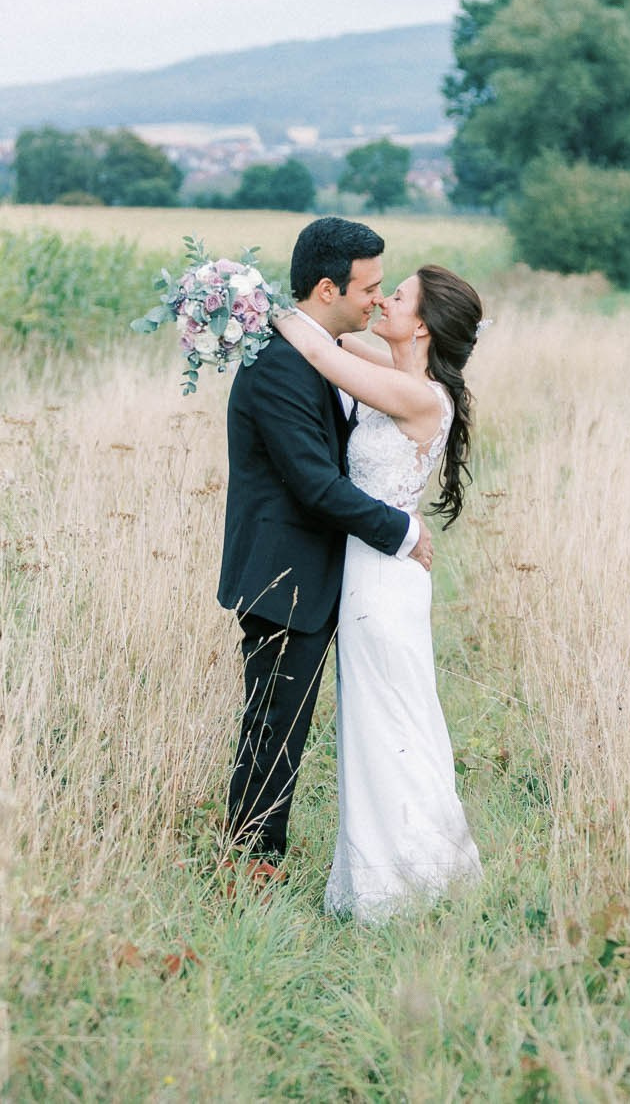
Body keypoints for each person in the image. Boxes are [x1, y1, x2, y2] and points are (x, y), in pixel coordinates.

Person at [218, 217, 433, 887]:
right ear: (327, 287)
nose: (377, 299)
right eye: (368, 288)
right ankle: (250, 862)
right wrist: (403, 532)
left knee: (302, 722)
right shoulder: (279, 364)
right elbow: (314, 483)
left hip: (331, 573)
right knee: (275, 726)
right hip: (284, 573)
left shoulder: (328, 349)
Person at [270, 261, 486, 923]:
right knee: (373, 720)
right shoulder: (394, 373)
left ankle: (405, 882)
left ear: (422, 326)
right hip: (370, 570)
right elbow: (332, 338)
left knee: (391, 719)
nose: (383, 301)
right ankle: (389, 872)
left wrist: (246, 300)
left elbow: (318, 350)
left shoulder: (418, 396)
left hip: (385, 583)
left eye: (397, 296)